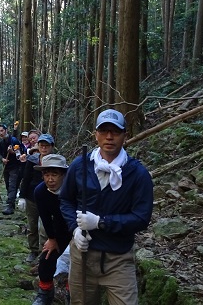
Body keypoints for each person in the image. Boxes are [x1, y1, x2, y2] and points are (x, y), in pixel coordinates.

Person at [60, 109, 154, 305]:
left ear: (125, 136)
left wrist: (101, 223)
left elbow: (141, 217)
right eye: (103, 131)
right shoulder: (79, 166)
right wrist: (75, 228)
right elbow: (66, 200)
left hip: (118, 258)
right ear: (95, 134)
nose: (109, 137)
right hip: (82, 256)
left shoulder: (137, 174)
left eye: (115, 132)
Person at [32, 154, 72, 305]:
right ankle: (45, 291)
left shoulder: (74, 188)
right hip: (59, 228)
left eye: (54, 175)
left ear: (63, 174)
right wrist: (52, 239)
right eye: (46, 175)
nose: (50, 179)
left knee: (77, 260)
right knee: (47, 257)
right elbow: (46, 218)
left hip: (81, 226)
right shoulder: (40, 192)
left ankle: (72, 291)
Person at [18, 133, 54, 262]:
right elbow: (26, 179)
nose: (44, 148)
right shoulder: (32, 160)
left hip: (50, 199)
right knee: (32, 226)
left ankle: (43, 253)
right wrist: (22, 196)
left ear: (52, 147)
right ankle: (33, 250)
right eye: (41, 145)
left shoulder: (57, 161)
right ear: (38, 146)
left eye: (47, 145)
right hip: (31, 198)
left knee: (45, 227)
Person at [0, 123, 22, 215]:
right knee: (8, 186)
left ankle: (10, 206)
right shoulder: (1, 143)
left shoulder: (14, 140)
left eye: (2, 131)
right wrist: (2, 159)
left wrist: (12, 152)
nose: (1, 133)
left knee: (12, 186)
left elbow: (20, 154)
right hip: (6, 167)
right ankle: (12, 203)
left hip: (15, 167)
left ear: (6, 130)